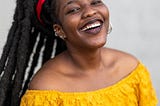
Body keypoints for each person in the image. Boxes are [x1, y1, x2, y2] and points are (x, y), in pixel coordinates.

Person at [0, 0, 158, 106]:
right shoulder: (46, 91)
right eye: (74, 9)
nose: (90, 12)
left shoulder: (131, 70)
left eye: (95, 2)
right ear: (59, 30)